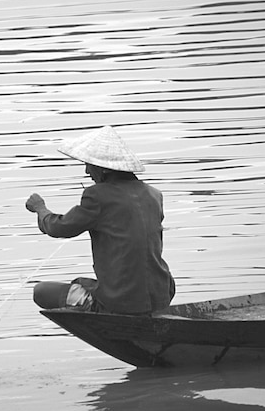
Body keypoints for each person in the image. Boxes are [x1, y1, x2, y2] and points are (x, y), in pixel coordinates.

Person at [25, 126, 175, 315]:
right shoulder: (154, 195)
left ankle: (105, 313)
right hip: (162, 294)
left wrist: (40, 209)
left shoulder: (97, 196)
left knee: (42, 292)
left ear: (103, 168)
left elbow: (60, 228)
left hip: (121, 302)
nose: (87, 171)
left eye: (89, 165)